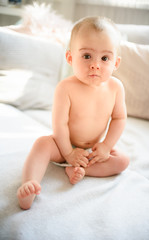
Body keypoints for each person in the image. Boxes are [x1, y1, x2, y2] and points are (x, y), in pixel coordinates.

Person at [17, 16, 129, 210]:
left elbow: (119, 118)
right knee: (42, 144)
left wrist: (105, 146)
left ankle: (78, 170)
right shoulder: (65, 88)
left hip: (93, 150)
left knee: (122, 161)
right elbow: (59, 124)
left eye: (104, 58)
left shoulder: (116, 87)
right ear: (70, 58)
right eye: (87, 56)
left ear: (116, 62)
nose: (95, 65)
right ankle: (29, 184)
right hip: (63, 145)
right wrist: (68, 152)